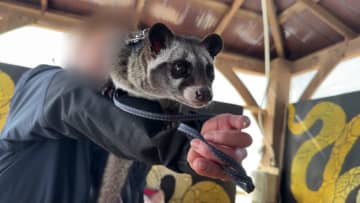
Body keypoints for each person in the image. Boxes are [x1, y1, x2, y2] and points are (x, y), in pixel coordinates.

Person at [0, 11, 252, 203]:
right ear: (72, 53)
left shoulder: (134, 136)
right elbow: (72, 99)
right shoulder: (42, 85)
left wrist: (198, 144)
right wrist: (182, 141)